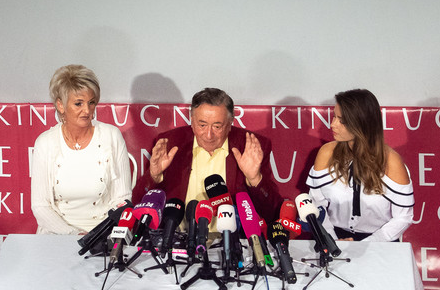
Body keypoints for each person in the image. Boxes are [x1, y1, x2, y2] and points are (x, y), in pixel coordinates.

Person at [132, 87, 282, 220]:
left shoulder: (250, 147)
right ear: (192, 121)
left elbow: (272, 213)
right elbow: (137, 207)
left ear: (230, 123)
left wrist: (255, 179)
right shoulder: (170, 143)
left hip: (231, 238)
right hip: (178, 237)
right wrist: (153, 176)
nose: (209, 135)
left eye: (217, 126)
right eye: (202, 125)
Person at [31, 65, 132, 234]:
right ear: (60, 105)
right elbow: (40, 206)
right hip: (57, 234)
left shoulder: (111, 136)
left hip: (102, 233)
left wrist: (99, 235)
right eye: (78, 104)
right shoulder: (45, 143)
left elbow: (122, 199)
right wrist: (73, 234)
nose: (87, 110)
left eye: (91, 102)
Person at [305, 89, 413, 241]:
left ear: (361, 123)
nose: (332, 124)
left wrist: (366, 244)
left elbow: (403, 217)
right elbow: (316, 204)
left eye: (341, 120)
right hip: (332, 238)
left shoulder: (391, 162)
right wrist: (332, 240)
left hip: (380, 241)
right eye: (334, 116)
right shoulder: (326, 153)